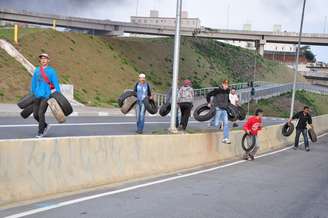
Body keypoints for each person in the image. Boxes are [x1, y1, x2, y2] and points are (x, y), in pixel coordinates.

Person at [31, 53, 61, 138]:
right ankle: (45, 125)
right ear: (40, 60)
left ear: (48, 60)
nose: (43, 60)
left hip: (46, 95)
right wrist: (32, 92)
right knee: (35, 115)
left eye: (45, 58)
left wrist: (58, 94)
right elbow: (34, 82)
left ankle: (40, 132)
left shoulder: (51, 71)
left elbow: (55, 82)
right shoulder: (37, 70)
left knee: (41, 113)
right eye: (42, 58)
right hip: (37, 94)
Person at [206, 79, 231, 144]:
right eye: (225, 84)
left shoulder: (228, 91)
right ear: (222, 84)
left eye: (227, 85)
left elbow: (227, 99)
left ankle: (226, 138)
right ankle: (211, 123)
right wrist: (209, 102)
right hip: (218, 108)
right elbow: (208, 95)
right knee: (216, 124)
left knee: (226, 124)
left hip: (224, 109)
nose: (226, 86)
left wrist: (229, 104)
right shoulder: (217, 90)